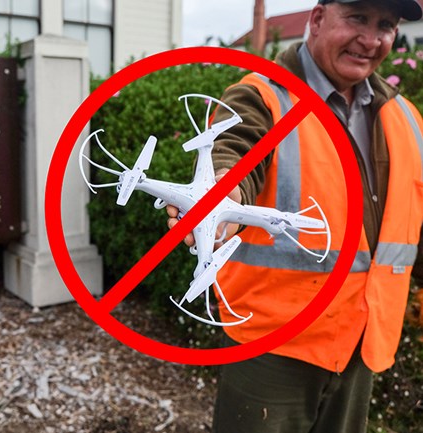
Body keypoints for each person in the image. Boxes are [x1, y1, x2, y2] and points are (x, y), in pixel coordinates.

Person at [166, 1, 423, 432]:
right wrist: (218, 203)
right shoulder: (261, 96)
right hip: (273, 348)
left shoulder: (406, 118)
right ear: (318, 19)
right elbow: (236, 156)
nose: (371, 39)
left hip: (361, 343)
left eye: (386, 26)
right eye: (358, 18)